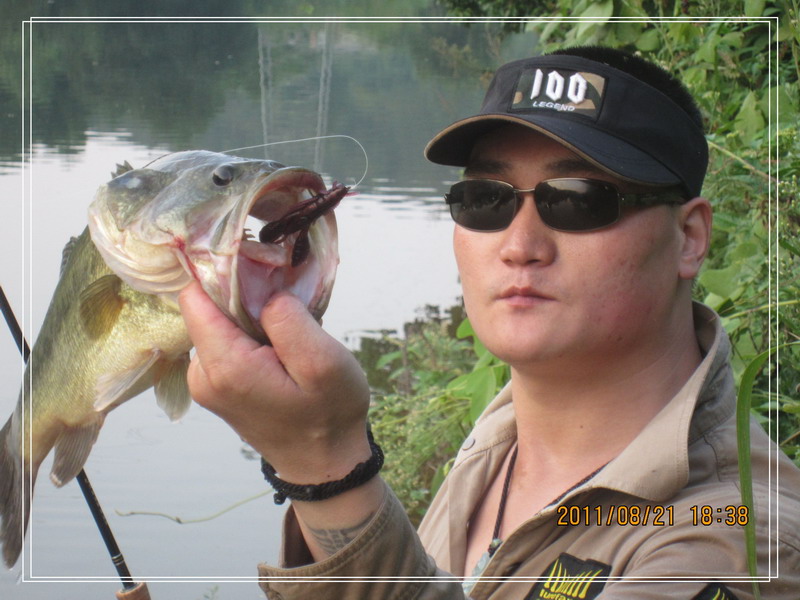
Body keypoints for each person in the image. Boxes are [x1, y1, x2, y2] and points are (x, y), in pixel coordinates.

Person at [178, 45, 800, 599]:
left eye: (577, 200)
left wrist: (327, 469)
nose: (520, 245)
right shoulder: (503, 436)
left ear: (689, 238)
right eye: (486, 200)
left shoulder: (741, 541)